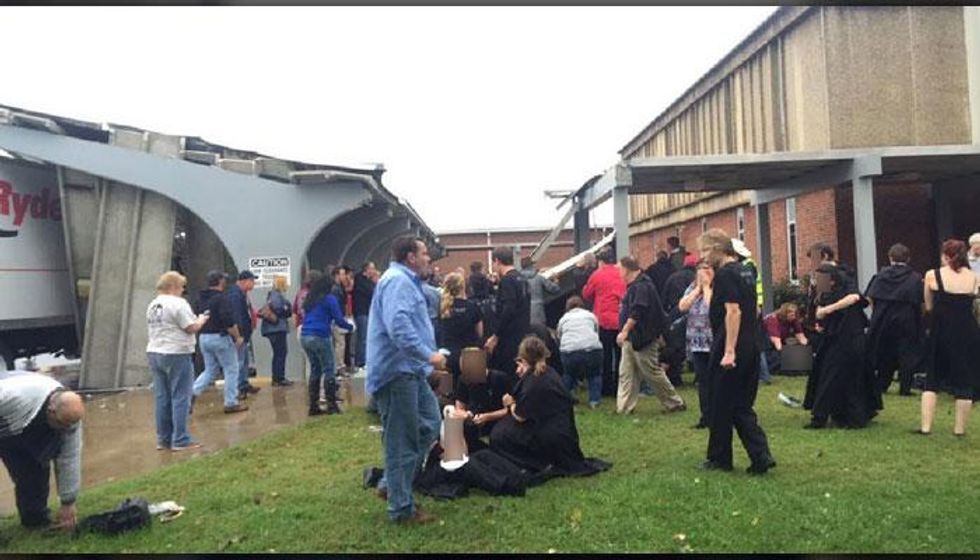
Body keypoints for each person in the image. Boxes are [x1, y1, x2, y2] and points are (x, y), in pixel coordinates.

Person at [366, 236, 446, 525]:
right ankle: (401, 508)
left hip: (410, 371)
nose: (429, 258)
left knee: (430, 422)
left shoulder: (404, 281)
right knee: (403, 440)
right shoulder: (398, 282)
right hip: (396, 373)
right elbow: (398, 327)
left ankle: (391, 483)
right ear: (411, 257)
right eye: (425, 253)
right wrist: (429, 356)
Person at [697, 229, 775, 474]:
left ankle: (720, 458)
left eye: (704, 250)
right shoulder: (747, 270)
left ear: (718, 248)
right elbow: (752, 309)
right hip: (751, 343)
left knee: (720, 403)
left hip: (731, 345)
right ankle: (760, 455)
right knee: (741, 404)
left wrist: (729, 350)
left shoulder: (726, 274)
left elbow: (733, 312)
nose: (702, 256)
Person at [489, 336, 598, 475]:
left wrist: (510, 403)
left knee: (499, 435)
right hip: (562, 432)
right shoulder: (548, 372)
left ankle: (532, 463)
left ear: (525, 359)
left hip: (550, 436)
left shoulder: (534, 383)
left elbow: (520, 415)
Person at [0, 371, 84, 529]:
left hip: (22, 423)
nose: (67, 429)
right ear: (51, 411)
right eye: (62, 424)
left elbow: (69, 458)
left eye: (69, 425)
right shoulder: (12, 396)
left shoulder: (69, 416)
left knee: (35, 466)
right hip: (9, 412)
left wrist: (68, 502)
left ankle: (35, 520)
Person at [803, 264, 880, 429]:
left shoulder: (846, 288)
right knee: (828, 375)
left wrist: (828, 310)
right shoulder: (822, 294)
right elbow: (817, 314)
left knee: (848, 377)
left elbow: (854, 298)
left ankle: (846, 417)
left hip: (851, 339)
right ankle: (832, 415)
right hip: (833, 339)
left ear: (832, 281)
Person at [918, 239, 980, 436]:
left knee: (932, 378)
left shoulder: (932, 275)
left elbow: (928, 306)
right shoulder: (974, 277)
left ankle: (926, 427)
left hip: (941, 329)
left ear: (945, 255)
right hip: (967, 331)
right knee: (964, 379)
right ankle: (959, 430)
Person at [146, 271, 209, 451]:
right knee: (181, 396)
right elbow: (190, 327)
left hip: (154, 351)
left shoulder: (153, 304)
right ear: (173, 286)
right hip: (176, 352)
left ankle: (163, 438)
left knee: (162, 397)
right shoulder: (178, 303)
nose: (183, 290)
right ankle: (180, 438)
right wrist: (202, 319)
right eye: (181, 286)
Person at [615, 256, 685, 415]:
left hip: (643, 337)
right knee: (626, 372)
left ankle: (675, 403)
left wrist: (625, 330)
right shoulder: (636, 285)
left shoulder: (642, 286)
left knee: (652, 372)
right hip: (632, 338)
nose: (619, 272)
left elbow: (638, 310)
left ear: (626, 269)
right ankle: (624, 407)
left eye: (620, 269)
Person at [865, 244, 924, 396]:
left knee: (885, 351)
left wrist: (877, 311)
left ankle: (882, 384)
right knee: (907, 353)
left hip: (883, 317)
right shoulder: (915, 278)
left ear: (890, 258)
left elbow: (870, 297)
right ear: (908, 259)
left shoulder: (881, 276)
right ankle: (905, 388)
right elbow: (921, 302)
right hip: (907, 318)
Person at [192, 271, 248, 413]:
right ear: (220, 281)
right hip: (220, 337)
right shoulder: (222, 299)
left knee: (210, 370)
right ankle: (231, 402)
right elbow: (228, 321)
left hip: (204, 337)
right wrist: (238, 337)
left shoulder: (200, 298)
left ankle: (192, 393)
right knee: (231, 368)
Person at [301, 275, 353, 416]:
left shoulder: (310, 300)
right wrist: (350, 327)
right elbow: (338, 319)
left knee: (315, 369)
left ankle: (313, 405)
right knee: (329, 368)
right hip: (320, 335)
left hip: (305, 335)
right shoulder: (329, 299)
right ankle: (331, 405)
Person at [454, 350, 518, 452]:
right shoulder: (463, 379)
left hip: (496, 421)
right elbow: (459, 406)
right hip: (472, 420)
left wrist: (488, 417)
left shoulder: (499, 379)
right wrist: (466, 415)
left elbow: (509, 410)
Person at [583, 247, 626, 398]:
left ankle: (607, 388)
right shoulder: (621, 273)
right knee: (621, 356)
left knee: (606, 356)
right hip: (621, 320)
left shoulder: (597, 275)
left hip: (603, 320)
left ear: (600, 261)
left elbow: (587, 294)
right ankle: (620, 387)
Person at [678, 259, 714, 429]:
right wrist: (698, 289)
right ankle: (705, 416)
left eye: (706, 269)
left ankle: (720, 415)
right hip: (697, 341)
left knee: (717, 380)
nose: (703, 272)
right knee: (703, 381)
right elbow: (682, 306)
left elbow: (711, 307)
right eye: (700, 269)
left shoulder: (718, 287)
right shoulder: (692, 287)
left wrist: (706, 287)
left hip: (714, 341)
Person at [484, 246, 531, 376]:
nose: (493, 267)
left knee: (507, 375)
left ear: (497, 261)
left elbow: (508, 309)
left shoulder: (507, 281)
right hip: (523, 334)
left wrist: (495, 336)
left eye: (493, 263)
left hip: (509, 339)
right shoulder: (523, 279)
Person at [556, 296, 603, 409]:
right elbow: (596, 331)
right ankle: (594, 401)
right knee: (594, 374)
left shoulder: (564, 318)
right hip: (592, 350)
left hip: (570, 352)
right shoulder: (591, 315)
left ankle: (566, 399)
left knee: (568, 374)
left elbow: (559, 335)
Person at [438, 272, 484, 383]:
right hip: (472, 355)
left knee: (447, 393)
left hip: (447, 355)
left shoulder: (442, 308)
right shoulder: (473, 307)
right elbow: (480, 333)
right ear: (463, 287)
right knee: (476, 394)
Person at [661, 254, 698, 387]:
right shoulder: (697, 279)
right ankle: (698, 377)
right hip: (695, 316)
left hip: (676, 314)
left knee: (676, 347)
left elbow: (664, 298)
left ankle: (674, 377)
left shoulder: (673, 277)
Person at [226, 270, 261, 399]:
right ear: (244, 281)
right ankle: (239, 388)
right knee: (239, 362)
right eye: (252, 281)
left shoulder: (243, 294)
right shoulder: (235, 295)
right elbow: (236, 316)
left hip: (245, 333)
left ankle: (244, 383)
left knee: (245, 360)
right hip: (240, 334)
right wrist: (238, 335)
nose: (253, 284)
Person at [260, 274, 293, 387]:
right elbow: (281, 308)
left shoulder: (272, 295)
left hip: (273, 329)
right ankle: (279, 378)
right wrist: (286, 307)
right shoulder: (276, 295)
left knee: (278, 353)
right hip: (277, 328)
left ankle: (277, 377)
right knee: (281, 353)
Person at [761, 303, 809, 376]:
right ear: (784, 314)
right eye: (791, 315)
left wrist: (805, 349)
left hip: (780, 342)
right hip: (768, 346)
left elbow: (801, 336)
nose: (793, 317)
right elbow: (777, 343)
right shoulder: (773, 320)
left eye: (794, 315)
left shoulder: (794, 320)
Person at [352, 262, 379, 372]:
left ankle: (365, 359)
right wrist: (376, 282)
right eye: (372, 268)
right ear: (366, 270)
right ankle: (361, 361)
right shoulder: (361, 281)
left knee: (366, 337)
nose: (374, 271)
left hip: (366, 312)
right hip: (362, 312)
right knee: (363, 338)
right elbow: (373, 292)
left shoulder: (366, 281)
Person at [520, 257, 562, 327]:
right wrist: (556, 280)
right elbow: (554, 289)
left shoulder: (517, 279)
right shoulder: (538, 277)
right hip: (538, 313)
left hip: (523, 313)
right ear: (531, 265)